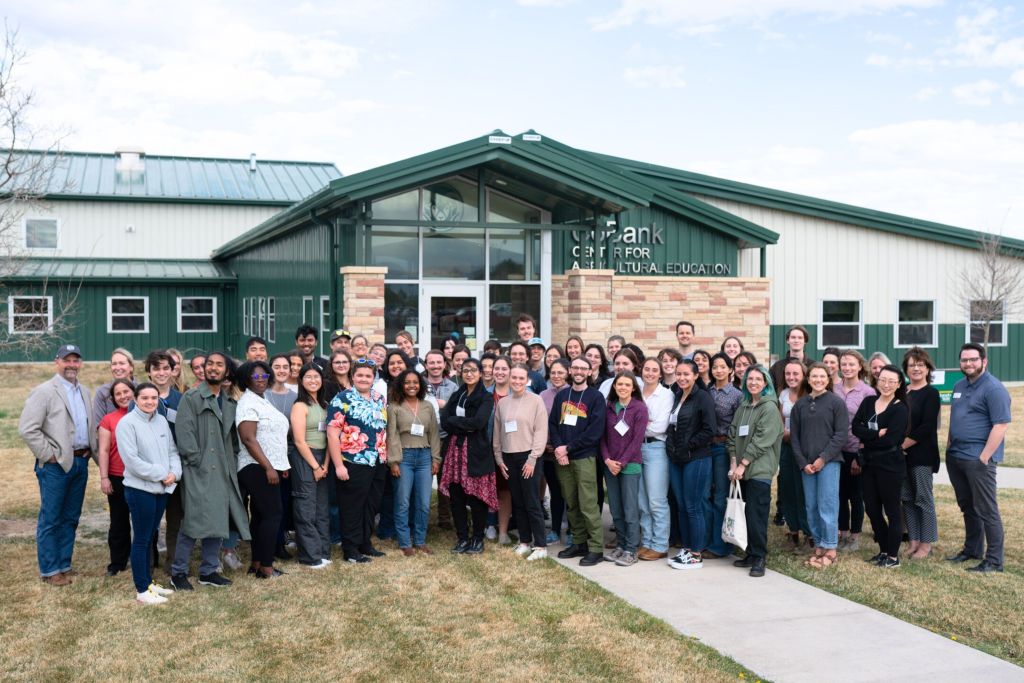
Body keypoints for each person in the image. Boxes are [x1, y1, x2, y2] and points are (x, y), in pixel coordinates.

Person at [19, 344, 97, 586]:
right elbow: (27, 429)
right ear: (57, 362)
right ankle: (50, 570)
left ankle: (64, 563)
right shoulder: (44, 391)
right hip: (55, 465)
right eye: (67, 360)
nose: (72, 365)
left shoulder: (84, 391)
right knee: (51, 518)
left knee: (71, 517)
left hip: (80, 461)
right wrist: (49, 455)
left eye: (76, 360)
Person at [171, 351, 249, 590]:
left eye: (219, 365)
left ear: (227, 372)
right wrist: (197, 461)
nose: (214, 368)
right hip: (199, 470)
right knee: (193, 522)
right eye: (210, 364)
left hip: (223, 471)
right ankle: (178, 573)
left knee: (218, 520)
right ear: (204, 369)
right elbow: (184, 436)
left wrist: (232, 461)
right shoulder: (192, 398)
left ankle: (208, 571)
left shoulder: (228, 402)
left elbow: (233, 440)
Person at [945, 343, 1010, 573]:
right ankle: (972, 550)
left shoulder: (994, 389)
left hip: (978, 459)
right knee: (968, 507)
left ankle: (994, 561)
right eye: (964, 360)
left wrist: (984, 457)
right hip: (956, 456)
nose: (968, 364)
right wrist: (950, 447)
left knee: (986, 509)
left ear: (984, 361)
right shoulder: (959, 385)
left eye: (973, 359)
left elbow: (1001, 425)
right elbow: (955, 417)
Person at [115, 382, 181, 604]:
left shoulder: (161, 420)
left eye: (154, 398)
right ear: (135, 399)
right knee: (142, 540)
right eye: (145, 398)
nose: (150, 402)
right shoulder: (127, 424)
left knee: (150, 534)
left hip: (161, 489)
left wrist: (175, 473)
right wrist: (162, 474)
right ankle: (142, 590)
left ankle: (149, 583)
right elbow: (133, 462)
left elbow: (172, 450)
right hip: (140, 490)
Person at [327, 359, 388, 563]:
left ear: (373, 378)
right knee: (353, 507)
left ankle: (365, 543)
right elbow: (332, 434)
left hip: (377, 460)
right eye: (360, 375)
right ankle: (351, 550)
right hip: (353, 461)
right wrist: (338, 465)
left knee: (371, 505)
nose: (363, 378)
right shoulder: (342, 399)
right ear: (353, 376)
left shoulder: (379, 399)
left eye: (368, 375)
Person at [235, 360, 291, 579]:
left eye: (264, 376)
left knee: (260, 516)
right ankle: (267, 567)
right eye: (255, 377)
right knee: (273, 514)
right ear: (246, 380)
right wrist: (268, 467)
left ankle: (257, 563)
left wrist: (281, 465)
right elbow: (248, 439)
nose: (260, 380)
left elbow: (272, 437)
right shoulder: (247, 402)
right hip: (256, 466)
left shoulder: (263, 400)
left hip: (270, 465)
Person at [790, 363, 848, 569]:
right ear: (808, 379)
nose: (818, 380)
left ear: (828, 379)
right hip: (807, 466)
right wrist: (803, 462)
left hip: (829, 463)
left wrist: (823, 458)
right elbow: (794, 437)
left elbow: (841, 434)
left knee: (827, 505)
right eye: (814, 376)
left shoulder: (836, 403)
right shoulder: (800, 405)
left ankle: (830, 547)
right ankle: (819, 545)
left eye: (822, 376)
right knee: (811, 506)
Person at [551, 357, 608, 567]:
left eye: (583, 368)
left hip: (584, 457)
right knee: (572, 503)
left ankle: (595, 548)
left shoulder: (596, 397)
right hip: (563, 459)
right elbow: (553, 425)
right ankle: (579, 542)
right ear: (569, 371)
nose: (578, 371)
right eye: (575, 367)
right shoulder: (562, 396)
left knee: (587, 504)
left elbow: (594, 432)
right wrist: (559, 448)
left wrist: (568, 448)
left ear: (590, 372)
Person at [728, 364, 783, 578]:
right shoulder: (744, 406)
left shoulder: (769, 407)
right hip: (740, 469)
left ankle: (760, 556)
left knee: (757, 514)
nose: (753, 383)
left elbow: (762, 440)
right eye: (749, 379)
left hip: (759, 470)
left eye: (758, 379)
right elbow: (732, 435)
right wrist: (734, 462)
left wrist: (742, 464)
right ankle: (750, 553)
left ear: (766, 383)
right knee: (746, 513)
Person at [852, 365, 909, 569]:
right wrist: (875, 434)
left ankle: (893, 557)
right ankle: (883, 550)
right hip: (869, 464)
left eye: (891, 381)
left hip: (890, 467)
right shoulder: (868, 402)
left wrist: (868, 438)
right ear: (877, 380)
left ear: (899, 384)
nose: (886, 384)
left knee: (892, 511)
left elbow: (892, 440)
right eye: (883, 379)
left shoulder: (900, 408)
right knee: (872, 509)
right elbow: (855, 427)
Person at [440, 358, 498, 554]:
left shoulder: (486, 397)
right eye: (465, 370)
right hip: (454, 454)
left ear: (481, 373)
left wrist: (457, 422)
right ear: (460, 373)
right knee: (456, 497)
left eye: (473, 370)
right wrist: (462, 422)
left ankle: (477, 539)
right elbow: (445, 421)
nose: (469, 374)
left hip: (476, 455)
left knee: (476, 498)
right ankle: (462, 538)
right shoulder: (458, 394)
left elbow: (479, 423)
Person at [493, 364, 550, 561]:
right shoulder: (503, 403)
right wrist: (499, 458)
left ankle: (541, 545)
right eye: (514, 378)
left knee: (532, 501)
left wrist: (533, 458)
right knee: (517, 501)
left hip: (529, 457)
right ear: (509, 378)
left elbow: (541, 431)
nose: (517, 381)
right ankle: (525, 542)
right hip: (509, 457)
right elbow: (497, 433)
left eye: (521, 378)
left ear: (527, 380)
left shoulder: (536, 401)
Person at [665, 360, 716, 570]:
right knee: (682, 505)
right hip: (677, 458)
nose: (682, 378)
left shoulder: (703, 397)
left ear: (695, 375)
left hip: (697, 458)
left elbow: (709, 430)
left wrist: (688, 446)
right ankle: (686, 548)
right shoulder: (677, 396)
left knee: (693, 505)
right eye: (679, 374)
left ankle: (696, 553)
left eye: (686, 374)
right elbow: (673, 425)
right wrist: (673, 447)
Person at [387, 369, 441, 556]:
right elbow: (391, 435)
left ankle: (419, 540)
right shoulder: (394, 406)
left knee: (424, 503)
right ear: (401, 385)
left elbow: (434, 434)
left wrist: (436, 458)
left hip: (425, 457)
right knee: (403, 502)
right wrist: (393, 462)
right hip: (404, 458)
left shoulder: (427, 406)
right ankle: (404, 542)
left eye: (415, 382)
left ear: (421, 385)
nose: (411, 386)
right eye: (407, 382)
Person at [599, 371, 648, 567]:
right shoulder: (609, 407)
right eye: (619, 384)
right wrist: (608, 460)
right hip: (610, 466)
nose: (623, 387)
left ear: (633, 387)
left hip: (630, 466)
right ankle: (620, 545)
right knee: (616, 510)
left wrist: (622, 463)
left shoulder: (640, 409)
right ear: (614, 386)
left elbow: (637, 441)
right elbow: (601, 438)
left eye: (627, 384)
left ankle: (631, 549)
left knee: (630, 510)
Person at [289, 363, 332, 568]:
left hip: (323, 458)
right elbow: (299, 441)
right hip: (305, 458)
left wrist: (324, 464)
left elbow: (331, 437)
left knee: (321, 508)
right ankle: (310, 556)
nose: (313, 380)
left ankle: (323, 552)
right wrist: (315, 466)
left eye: (316, 377)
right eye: (308, 377)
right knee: (306, 508)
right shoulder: (300, 406)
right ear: (301, 380)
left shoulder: (324, 404)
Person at [901, 347, 940, 560]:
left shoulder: (931, 394)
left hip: (921, 456)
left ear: (927, 368)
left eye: (920, 364)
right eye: (911, 365)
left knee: (923, 499)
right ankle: (913, 541)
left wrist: (902, 445)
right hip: (901, 457)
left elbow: (927, 426)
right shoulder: (903, 391)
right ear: (906, 369)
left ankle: (926, 544)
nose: (916, 368)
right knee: (907, 499)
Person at [834, 349, 874, 551]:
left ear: (860, 366)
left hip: (856, 449)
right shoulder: (833, 389)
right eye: (844, 364)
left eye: (851, 364)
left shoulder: (868, 393)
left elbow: (869, 425)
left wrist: (861, 454)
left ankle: (855, 537)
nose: (847, 368)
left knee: (856, 496)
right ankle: (843, 533)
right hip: (835, 451)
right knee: (839, 494)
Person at [706, 352, 743, 558]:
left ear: (730, 370)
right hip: (705, 448)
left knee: (720, 497)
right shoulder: (706, 391)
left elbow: (738, 429)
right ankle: (706, 539)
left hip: (723, 448)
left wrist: (734, 458)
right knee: (707, 495)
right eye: (715, 367)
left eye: (722, 366)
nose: (718, 370)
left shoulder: (737, 395)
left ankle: (720, 546)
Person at [636, 357, 673, 561]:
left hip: (656, 448)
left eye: (654, 370)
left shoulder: (666, 395)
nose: (649, 373)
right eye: (647, 369)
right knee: (641, 500)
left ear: (660, 374)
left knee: (656, 500)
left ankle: (660, 544)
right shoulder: (637, 392)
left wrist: (639, 426)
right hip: (636, 448)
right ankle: (647, 541)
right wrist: (643, 424)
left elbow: (659, 426)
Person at [97, 379, 135, 576]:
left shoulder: (145, 414)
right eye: (118, 394)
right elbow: (103, 450)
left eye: (126, 391)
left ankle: (150, 560)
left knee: (144, 522)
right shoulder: (108, 420)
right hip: (117, 477)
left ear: (133, 392)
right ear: (113, 399)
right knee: (119, 521)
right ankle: (118, 562)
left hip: (141, 477)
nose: (123, 396)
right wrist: (104, 477)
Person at [776, 359, 812, 550]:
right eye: (788, 374)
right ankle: (793, 531)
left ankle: (809, 533)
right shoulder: (783, 394)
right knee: (788, 489)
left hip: (805, 450)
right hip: (787, 447)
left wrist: (794, 435)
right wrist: (784, 433)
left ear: (804, 375)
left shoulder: (810, 395)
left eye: (795, 374)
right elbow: (781, 420)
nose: (791, 377)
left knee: (803, 491)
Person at [540, 358, 571, 545]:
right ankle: (555, 528)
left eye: (560, 372)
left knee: (570, 493)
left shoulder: (573, 394)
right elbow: (539, 422)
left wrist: (563, 447)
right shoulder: (543, 395)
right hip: (548, 453)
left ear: (568, 373)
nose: (556, 376)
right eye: (553, 372)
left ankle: (573, 530)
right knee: (555, 492)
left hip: (567, 452)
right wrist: (545, 444)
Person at [488, 356, 515, 543]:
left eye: (504, 368)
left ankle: (503, 531)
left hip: (512, 451)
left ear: (511, 371)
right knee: (489, 488)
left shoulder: (521, 393)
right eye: (496, 368)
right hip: (488, 450)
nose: (499, 372)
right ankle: (489, 524)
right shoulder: (484, 394)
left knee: (506, 491)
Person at [92, 347, 135, 427]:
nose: (118, 368)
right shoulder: (102, 392)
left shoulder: (141, 390)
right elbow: (98, 425)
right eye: (114, 364)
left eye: (122, 363)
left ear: (131, 367)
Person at [769, 325, 814, 392]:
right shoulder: (777, 367)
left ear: (805, 341)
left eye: (800, 338)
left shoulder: (813, 366)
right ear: (788, 340)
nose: (796, 340)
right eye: (793, 337)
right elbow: (771, 392)